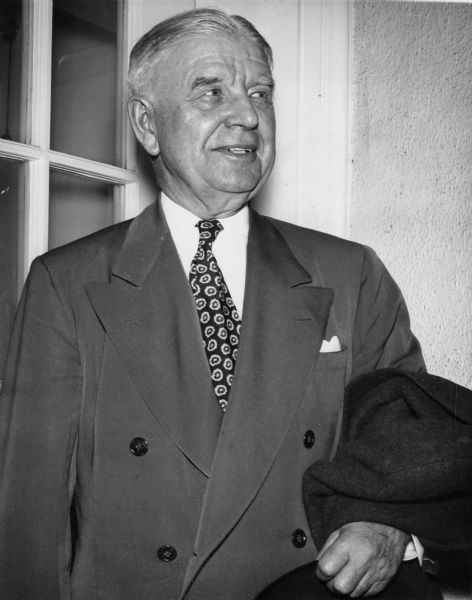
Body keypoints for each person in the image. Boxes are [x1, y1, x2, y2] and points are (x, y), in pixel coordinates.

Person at [0, 8, 426, 600]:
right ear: (147, 125)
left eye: (259, 93)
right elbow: (28, 523)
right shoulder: (65, 285)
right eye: (212, 91)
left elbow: (407, 443)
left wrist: (389, 524)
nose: (249, 115)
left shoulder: (351, 274)